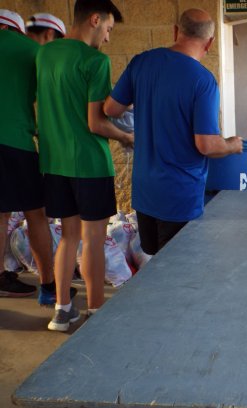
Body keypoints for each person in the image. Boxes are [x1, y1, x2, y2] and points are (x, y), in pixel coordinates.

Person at [105, 8, 242, 258]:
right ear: (210, 43)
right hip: (179, 197)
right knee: (177, 272)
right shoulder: (203, 81)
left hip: (145, 191)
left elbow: (111, 108)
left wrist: (146, 98)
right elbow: (207, 145)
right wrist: (232, 145)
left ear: (176, 31)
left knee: (154, 261)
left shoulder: (141, 62)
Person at [36, 0, 132, 331]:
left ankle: (62, 310)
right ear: (95, 20)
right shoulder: (95, 61)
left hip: (54, 161)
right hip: (90, 164)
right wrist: (125, 137)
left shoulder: (45, 54)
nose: (107, 39)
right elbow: (96, 123)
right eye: (108, 29)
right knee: (92, 238)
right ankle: (95, 311)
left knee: (68, 236)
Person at [0, 9, 78, 305]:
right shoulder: (33, 51)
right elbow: (51, 103)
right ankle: (48, 286)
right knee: (37, 213)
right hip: (14, 140)